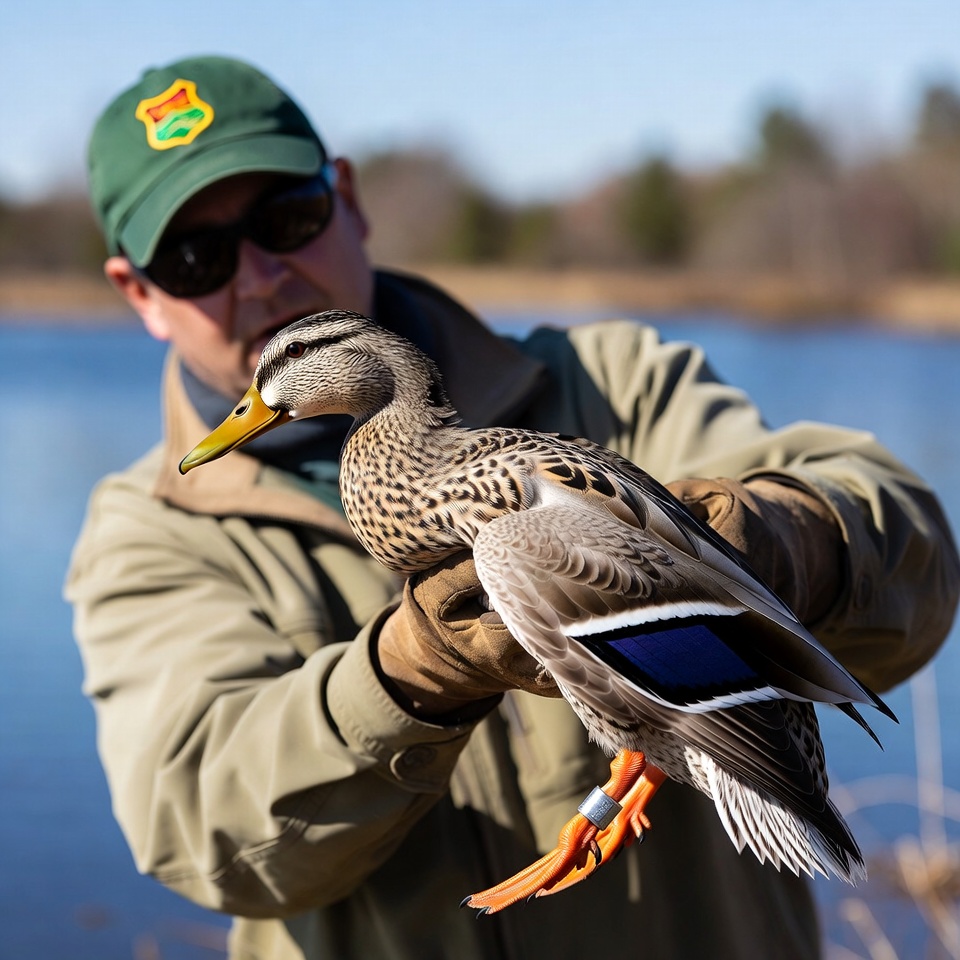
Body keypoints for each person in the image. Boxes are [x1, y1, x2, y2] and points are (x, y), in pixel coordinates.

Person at [67, 54, 959, 960]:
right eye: (195, 258)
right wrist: (403, 677)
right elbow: (203, 833)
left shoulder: (609, 383)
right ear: (137, 292)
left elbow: (910, 540)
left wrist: (776, 539)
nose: (258, 277)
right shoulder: (145, 532)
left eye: (287, 219)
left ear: (347, 197)